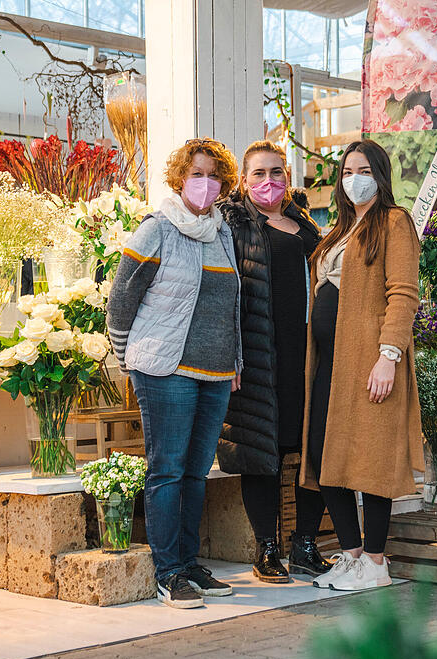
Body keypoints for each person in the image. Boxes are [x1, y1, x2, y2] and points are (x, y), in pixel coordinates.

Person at [106, 138, 243, 609]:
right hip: (165, 369)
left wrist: (235, 362)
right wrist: (127, 358)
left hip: (215, 373)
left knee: (196, 473)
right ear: (180, 178)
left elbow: (230, 307)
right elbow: (120, 300)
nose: (205, 183)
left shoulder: (222, 232)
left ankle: (188, 563)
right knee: (167, 470)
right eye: (196, 174)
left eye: (214, 176)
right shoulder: (157, 229)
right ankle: (168, 573)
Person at [301, 139, 424, 592]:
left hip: (370, 359)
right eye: (349, 171)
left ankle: (375, 561)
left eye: (365, 171)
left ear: (381, 176)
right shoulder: (337, 230)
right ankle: (352, 555)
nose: (355, 179)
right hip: (331, 361)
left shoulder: (394, 222)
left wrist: (388, 356)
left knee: (372, 458)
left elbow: (403, 293)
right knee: (323, 454)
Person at [218, 141, 331, 583]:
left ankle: (305, 545)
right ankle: (267, 549)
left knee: (313, 449)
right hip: (260, 355)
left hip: (309, 354)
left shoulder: (305, 222)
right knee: (261, 451)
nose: (270, 181)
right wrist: (230, 354)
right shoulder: (235, 225)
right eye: (259, 173)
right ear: (244, 181)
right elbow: (223, 294)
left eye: (277, 172)